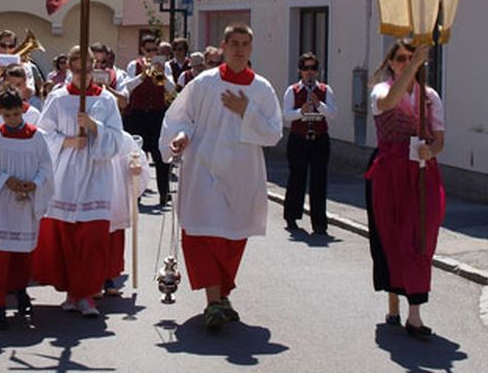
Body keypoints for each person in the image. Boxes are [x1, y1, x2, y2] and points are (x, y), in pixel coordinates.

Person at [160, 23, 283, 332]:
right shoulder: (204, 83)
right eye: (235, 43)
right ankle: (214, 301)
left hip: (242, 175)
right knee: (202, 235)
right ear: (224, 47)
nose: (240, 49)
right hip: (203, 170)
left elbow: (273, 133)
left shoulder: (262, 89)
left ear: (251, 49)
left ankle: (222, 296)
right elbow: (182, 117)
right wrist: (180, 137)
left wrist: (246, 111)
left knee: (232, 238)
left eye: (245, 44)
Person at [32, 46, 124, 318]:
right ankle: (73, 292)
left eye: (88, 68)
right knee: (68, 235)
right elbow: (43, 135)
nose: (83, 74)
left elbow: (117, 139)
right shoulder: (58, 98)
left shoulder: (106, 101)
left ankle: (87, 294)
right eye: (77, 69)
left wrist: (95, 127)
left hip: (96, 174)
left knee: (93, 235)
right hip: (67, 174)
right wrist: (68, 141)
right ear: (69, 69)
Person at [365, 40, 445, 338]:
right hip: (389, 172)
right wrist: (412, 69)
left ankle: (415, 315)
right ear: (390, 62)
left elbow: (439, 139)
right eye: (400, 59)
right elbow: (387, 104)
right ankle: (393, 303)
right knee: (391, 237)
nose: (405, 63)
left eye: (411, 58)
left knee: (420, 238)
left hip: (422, 174)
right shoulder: (381, 90)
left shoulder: (430, 97)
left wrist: (432, 151)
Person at [0, 86, 55, 330]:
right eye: (7, 116)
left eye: (17, 114)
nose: (13, 120)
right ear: (0, 113)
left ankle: (20, 291)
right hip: (1, 203)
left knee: (22, 253)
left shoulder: (37, 137)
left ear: (23, 110)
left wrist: (35, 183)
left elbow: (47, 168)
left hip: (26, 202)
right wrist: (6, 180)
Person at [282, 52, 338, 235]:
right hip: (299, 139)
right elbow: (286, 115)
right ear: (300, 70)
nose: (309, 72)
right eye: (306, 68)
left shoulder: (324, 90)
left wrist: (319, 104)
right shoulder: (293, 91)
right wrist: (301, 111)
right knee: (297, 178)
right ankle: (292, 216)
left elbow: (332, 113)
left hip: (319, 140)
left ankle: (319, 222)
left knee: (319, 181)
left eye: (313, 68)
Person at [124, 35, 176, 206]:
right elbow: (128, 88)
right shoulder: (134, 65)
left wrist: (160, 75)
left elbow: (172, 89)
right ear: (142, 51)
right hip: (137, 114)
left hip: (156, 114)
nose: (152, 54)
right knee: (136, 155)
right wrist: (143, 75)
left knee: (160, 155)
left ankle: (164, 192)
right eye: (149, 50)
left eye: (155, 50)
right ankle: (136, 193)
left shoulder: (165, 66)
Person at [104, 131, 149, 297]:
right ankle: (91, 281)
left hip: (114, 196)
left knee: (113, 239)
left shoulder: (124, 139)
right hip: (91, 195)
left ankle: (108, 278)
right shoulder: (86, 135)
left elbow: (136, 158)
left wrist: (136, 168)